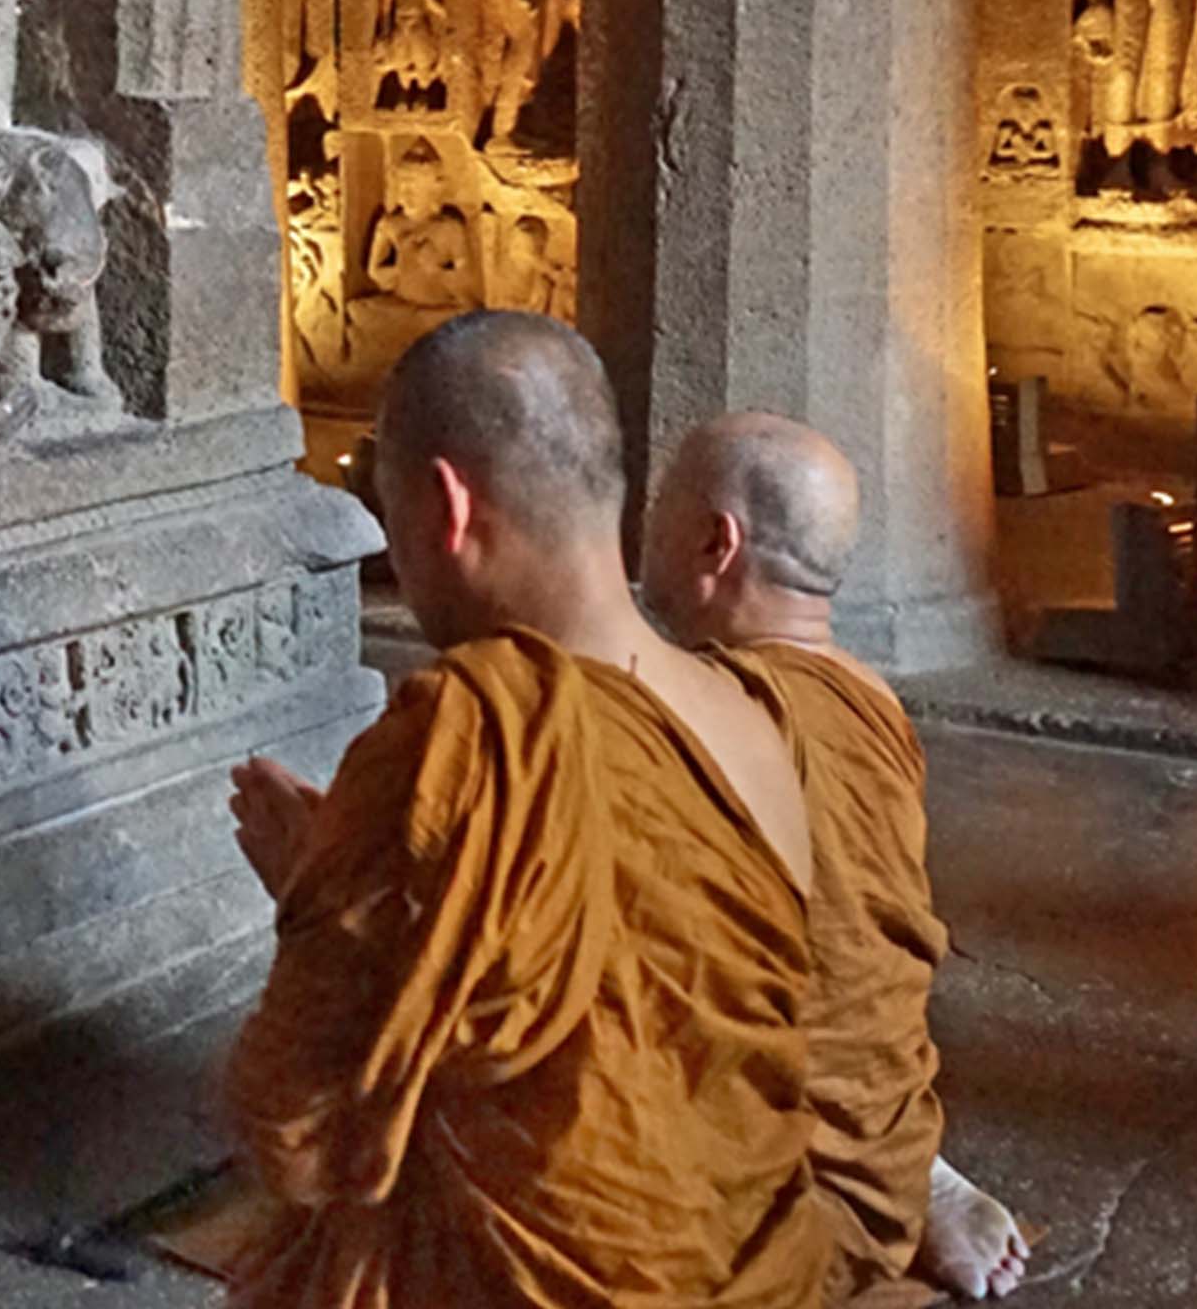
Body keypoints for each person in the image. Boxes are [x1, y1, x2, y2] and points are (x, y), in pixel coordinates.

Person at [222, 311, 832, 1307]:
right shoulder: (755, 717)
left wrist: (317, 898)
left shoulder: (457, 740)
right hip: (752, 1276)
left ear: (442, 506)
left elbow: (292, 1125)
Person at [641, 412, 1034, 1302]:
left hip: (764, 1196)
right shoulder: (872, 701)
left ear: (715, 541)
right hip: (880, 1151)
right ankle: (911, 1167)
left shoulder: (698, 720)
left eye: (660, 504)